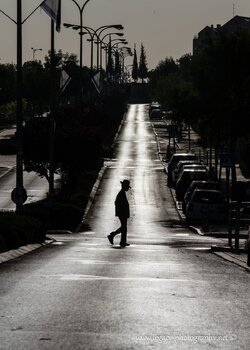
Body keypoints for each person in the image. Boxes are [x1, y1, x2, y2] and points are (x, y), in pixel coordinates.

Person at [107, 179, 131, 247]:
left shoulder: (122, 193)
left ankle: (122, 241)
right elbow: (117, 203)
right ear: (124, 186)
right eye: (127, 187)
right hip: (122, 213)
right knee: (123, 227)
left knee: (124, 227)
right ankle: (112, 235)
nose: (128, 189)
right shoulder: (121, 193)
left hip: (123, 213)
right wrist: (121, 212)